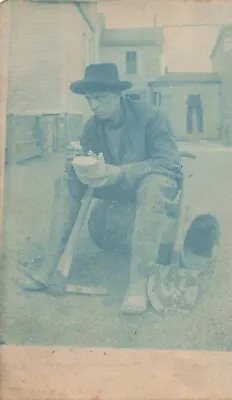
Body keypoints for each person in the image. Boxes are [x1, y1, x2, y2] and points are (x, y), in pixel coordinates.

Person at [22, 63, 183, 314]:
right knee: (64, 182)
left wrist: (122, 171)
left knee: (155, 185)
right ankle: (49, 267)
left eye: (100, 99)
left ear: (118, 95)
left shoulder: (151, 117)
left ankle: (138, 284)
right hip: (111, 186)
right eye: (89, 100)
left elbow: (169, 163)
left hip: (145, 183)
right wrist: (75, 163)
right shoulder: (93, 126)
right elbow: (89, 161)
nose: (94, 106)